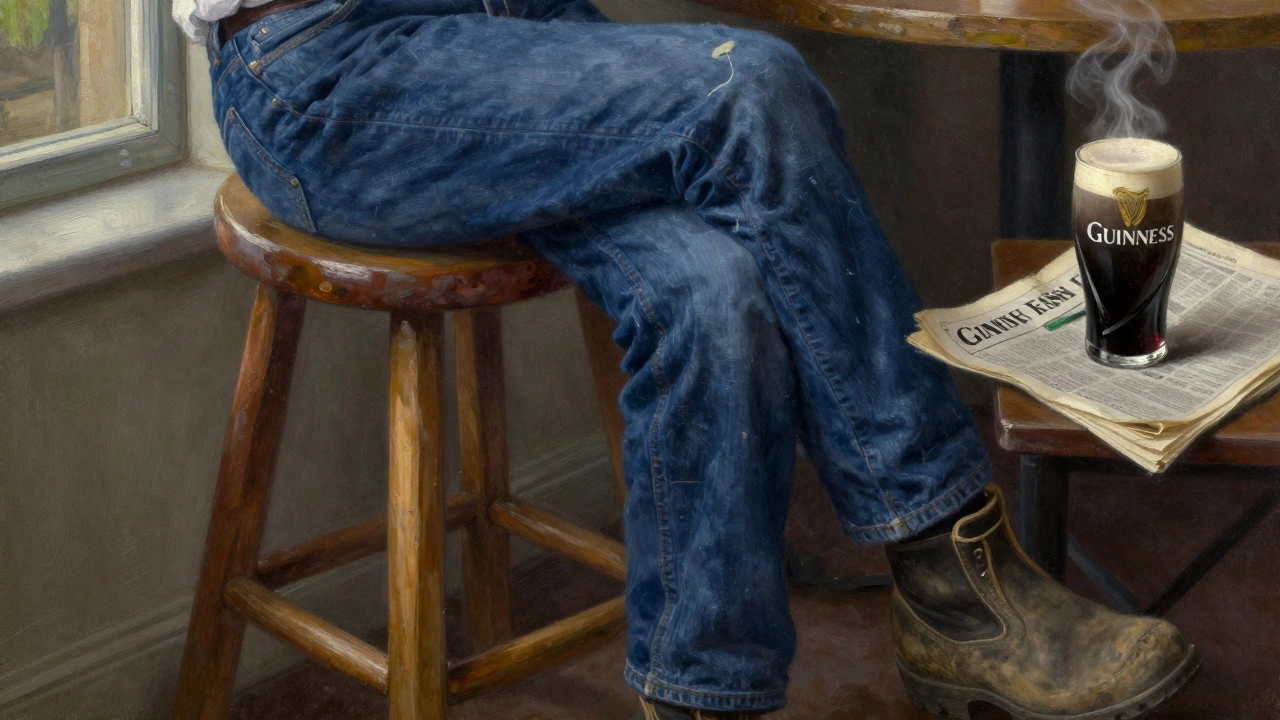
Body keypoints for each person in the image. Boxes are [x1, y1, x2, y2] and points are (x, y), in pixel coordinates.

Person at [175, 0, 1200, 717]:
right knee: (749, 85)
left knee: (717, 286)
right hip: (330, 70)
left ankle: (703, 698)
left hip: (514, 31)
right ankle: (951, 576)